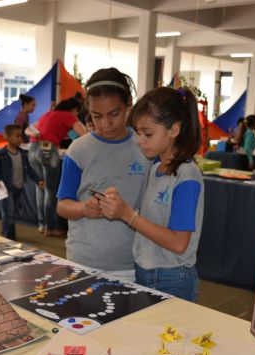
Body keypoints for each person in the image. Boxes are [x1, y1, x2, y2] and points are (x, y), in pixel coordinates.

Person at [98, 87, 203, 302]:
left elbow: (178, 243)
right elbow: (151, 222)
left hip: (172, 277)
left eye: (148, 134)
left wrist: (127, 214)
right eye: (138, 133)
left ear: (174, 130)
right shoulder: (155, 169)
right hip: (144, 271)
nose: (140, 140)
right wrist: (118, 207)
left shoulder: (187, 175)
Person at [57, 67, 148, 282]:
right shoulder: (79, 149)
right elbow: (62, 206)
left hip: (130, 263)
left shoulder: (144, 147)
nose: (105, 124)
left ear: (129, 104)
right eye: (96, 116)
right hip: (83, 260)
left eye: (114, 114)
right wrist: (83, 208)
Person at [28, 97, 87, 236]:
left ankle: (42, 224)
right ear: (75, 109)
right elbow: (84, 134)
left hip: (32, 148)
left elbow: (30, 129)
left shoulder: (49, 114)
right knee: (50, 190)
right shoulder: (68, 115)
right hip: (48, 149)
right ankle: (50, 227)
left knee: (40, 187)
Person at [0, 124, 44, 240]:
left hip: (18, 188)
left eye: (21, 136)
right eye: (17, 136)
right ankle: (9, 237)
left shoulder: (22, 153)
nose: (21, 139)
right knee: (9, 213)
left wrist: (38, 180)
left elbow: (29, 169)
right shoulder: (2, 154)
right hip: (6, 189)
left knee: (13, 212)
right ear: (7, 137)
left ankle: (5, 227)